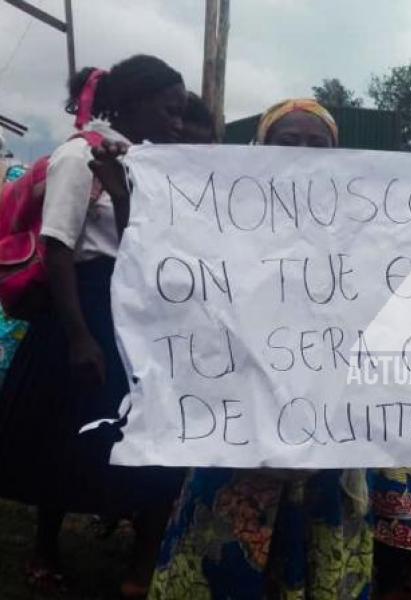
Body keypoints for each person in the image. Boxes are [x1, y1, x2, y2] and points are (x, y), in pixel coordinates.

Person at [147, 100, 373, 600]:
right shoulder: (220, 219)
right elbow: (172, 280)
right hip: (239, 415)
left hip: (326, 417)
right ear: (261, 149)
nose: (303, 154)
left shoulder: (366, 227)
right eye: (288, 142)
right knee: (225, 548)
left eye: (317, 144)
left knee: (314, 536)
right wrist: (129, 197)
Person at [0, 55, 187, 597]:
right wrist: (79, 336)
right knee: (63, 432)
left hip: (131, 306)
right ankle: (45, 547)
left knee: (134, 431)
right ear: (131, 102)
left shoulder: (146, 163)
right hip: (81, 309)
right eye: (169, 111)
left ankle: (140, 554)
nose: (177, 122)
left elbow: (141, 242)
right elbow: (59, 245)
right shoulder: (78, 156)